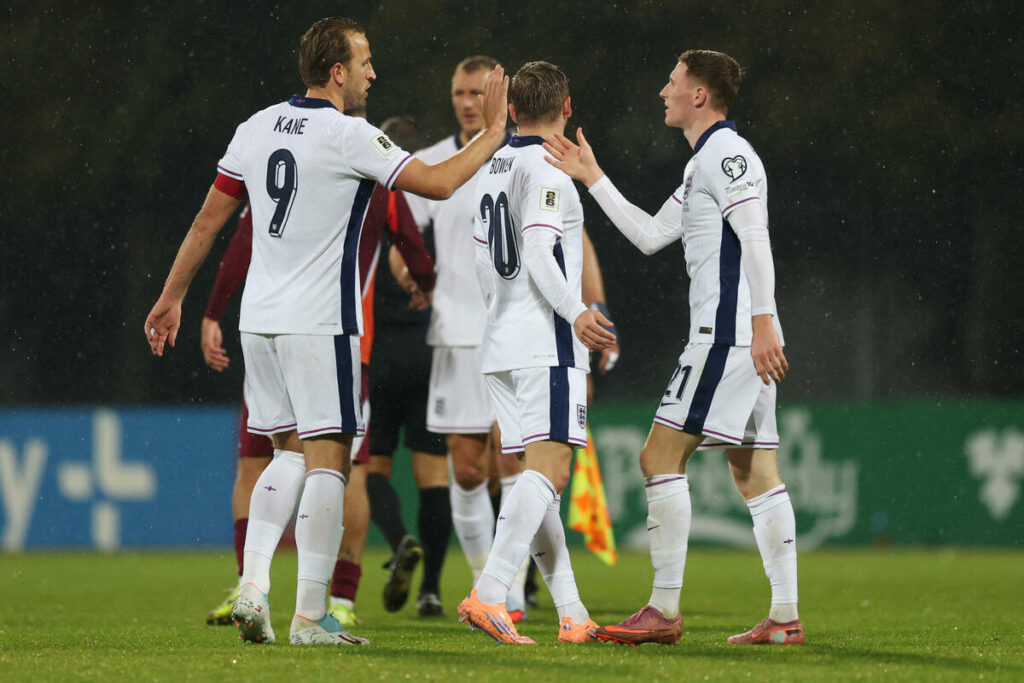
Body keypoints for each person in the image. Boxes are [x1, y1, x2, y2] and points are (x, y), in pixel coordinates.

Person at [144, 16, 508, 647]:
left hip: (259, 322)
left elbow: (208, 222)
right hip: (322, 325)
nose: (372, 73)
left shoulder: (256, 127)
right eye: (364, 62)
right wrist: (497, 131)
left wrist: (172, 296)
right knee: (330, 464)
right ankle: (311, 617)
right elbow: (442, 183)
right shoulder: (349, 135)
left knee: (284, 453)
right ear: (337, 71)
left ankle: (254, 585)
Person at [543, 49, 803, 646]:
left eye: (673, 82)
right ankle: (785, 619)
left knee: (659, 459)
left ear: (700, 96)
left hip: (729, 336)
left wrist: (761, 322)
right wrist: (594, 176)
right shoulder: (703, 162)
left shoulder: (728, 155)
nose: (664, 91)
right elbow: (651, 235)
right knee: (757, 473)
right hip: (745, 334)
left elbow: (756, 239)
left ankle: (662, 610)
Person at [456, 61, 616, 645]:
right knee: (551, 471)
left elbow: (482, 259)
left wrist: (502, 314)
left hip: (499, 341)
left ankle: (571, 612)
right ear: (568, 107)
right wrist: (575, 313)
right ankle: (491, 592)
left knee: (535, 478)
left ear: (514, 111)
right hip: (543, 342)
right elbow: (540, 254)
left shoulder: (493, 165)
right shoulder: (548, 168)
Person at [403, 57, 509, 601]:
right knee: (468, 472)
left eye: (478, 91)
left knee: (515, 465)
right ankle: (483, 585)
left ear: (500, 93)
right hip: (456, 334)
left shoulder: (526, 158)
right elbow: (406, 240)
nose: (468, 101)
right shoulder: (431, 164)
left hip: (517, 333)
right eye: (459, 91)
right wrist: (411, 275)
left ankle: (509, 590)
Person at [361, 115, 454, 618]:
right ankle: (432, 590)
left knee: (372, 466)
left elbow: (397, 254)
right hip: (431, 352)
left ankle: (399, 540)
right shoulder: (445, 201)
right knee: (433, 475)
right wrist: (431, 288)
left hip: (379, 355)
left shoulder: (378, 198)